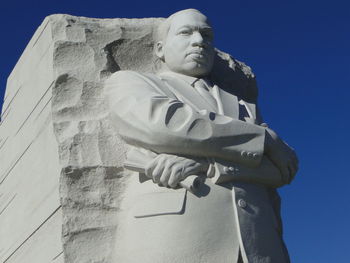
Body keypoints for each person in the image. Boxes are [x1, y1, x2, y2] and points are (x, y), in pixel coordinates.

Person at [106, 8, 298, 263]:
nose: (199, 41)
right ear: (160, 49)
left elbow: (282, 169)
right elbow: (163, 124)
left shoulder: (243, 106)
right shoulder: (132, 82)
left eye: (206, 36)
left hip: (259, 245)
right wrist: (262, 139)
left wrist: (208, 165)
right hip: (173, 235)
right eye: (186, 33)